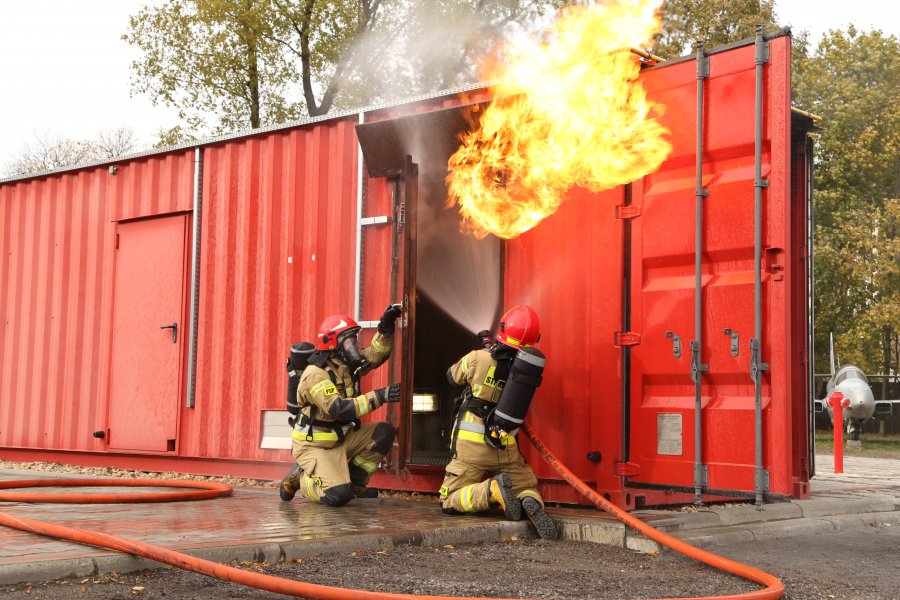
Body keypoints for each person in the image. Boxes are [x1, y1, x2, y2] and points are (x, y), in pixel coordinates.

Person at [439, 304, 558, 539]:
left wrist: (481, 355)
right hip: (505, 447)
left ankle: (491, 491)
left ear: (502, 328)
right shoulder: (524, 370)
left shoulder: (477, 358)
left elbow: (451, 377)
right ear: (535, 339)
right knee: (526, 487)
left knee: (449, 500)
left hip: (470, 450)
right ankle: (528, 502)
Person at [278, 305, 402, 506]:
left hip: (339, 438)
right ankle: (301, 478)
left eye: (355, 340)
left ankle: (355, 484)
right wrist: (380, 396)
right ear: (333, 343)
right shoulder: (315, 374)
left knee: (383, 433)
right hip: (314, 445)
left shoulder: (345, 366)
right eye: (350, 341)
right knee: (337, 496)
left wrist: (385, 328)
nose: (354, 345)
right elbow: (339, 409)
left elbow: (376, 355)